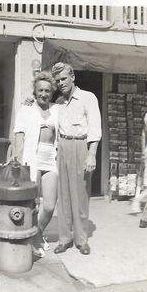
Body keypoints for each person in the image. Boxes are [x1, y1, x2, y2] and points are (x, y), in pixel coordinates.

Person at [51, 62, 102, 255]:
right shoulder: (59, 103)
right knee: (63, 196)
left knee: (80, 195)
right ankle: (65, 238)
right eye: (58, 81)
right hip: (62, 147)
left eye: (64, 78)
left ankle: (81, 239)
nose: (61, 83)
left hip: (80, 146)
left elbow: (95, 128)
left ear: (73, 77)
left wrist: (91, 154)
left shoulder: (88, 97)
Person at [13, 71, 59, 257]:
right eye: (40, 90)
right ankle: (33, 239)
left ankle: (37, 232)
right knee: (34, 204)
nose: (43, 94)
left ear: (52, 92)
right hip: (33, 158)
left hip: (51, 160)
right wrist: (17, 156)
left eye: (47, 90)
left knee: (49, 205)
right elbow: (18, 134)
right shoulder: (26, 109)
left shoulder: (57, 109)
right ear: (35, 90)